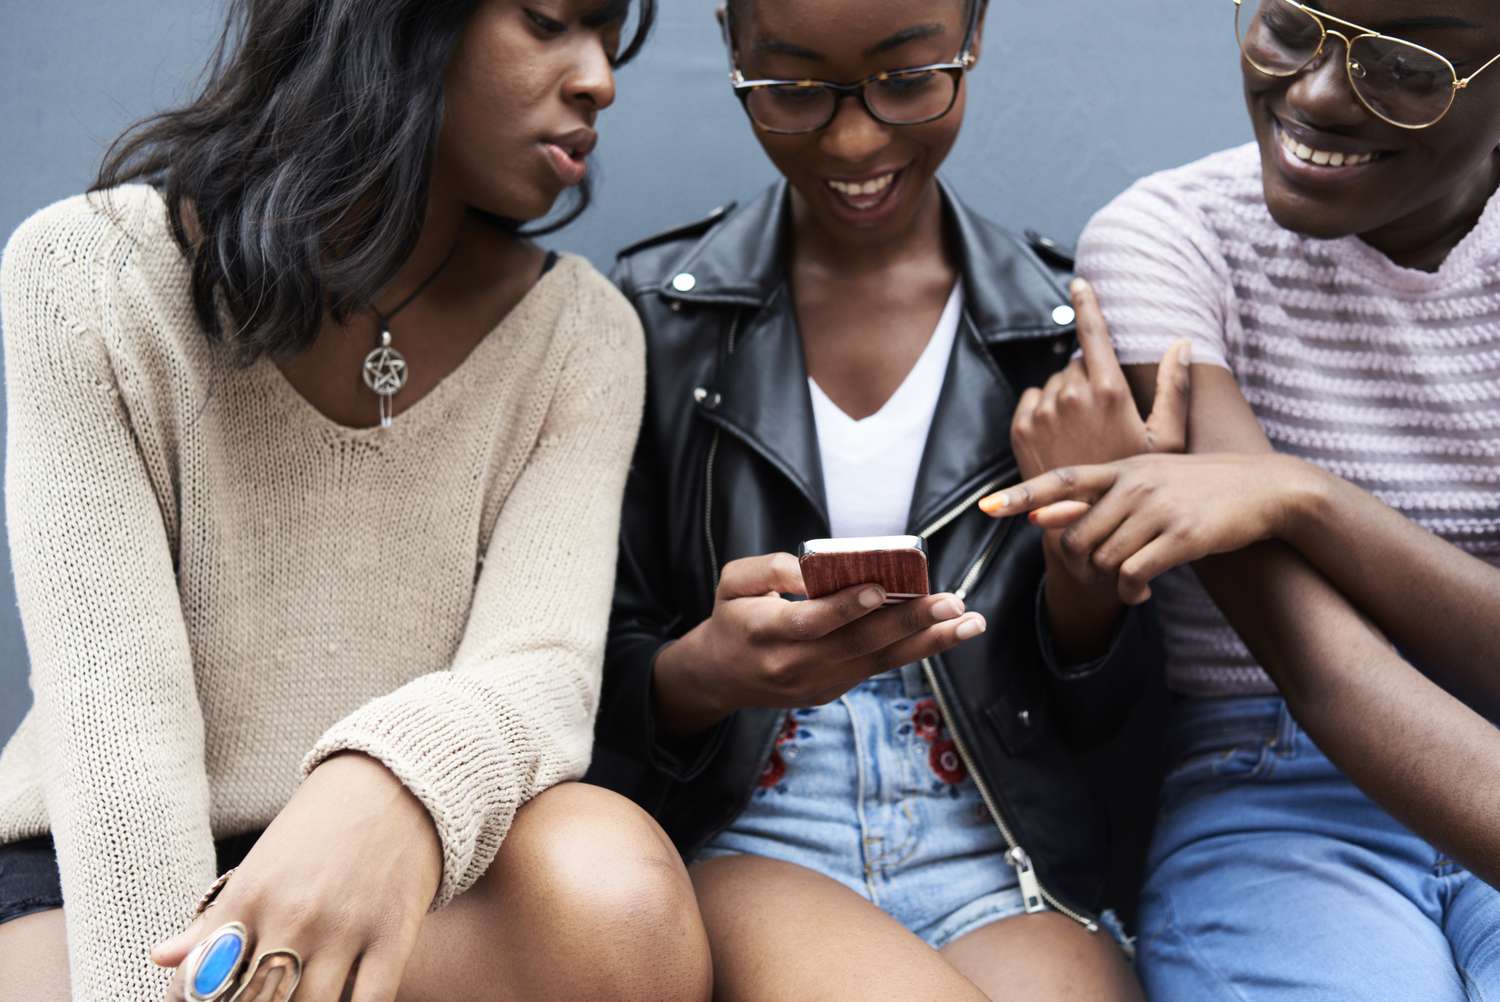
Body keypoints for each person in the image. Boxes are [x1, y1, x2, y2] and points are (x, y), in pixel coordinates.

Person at [0, 1, 714, 1000]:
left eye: (607, 37)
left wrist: (388, 785)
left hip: (424, 861)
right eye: (552, 20)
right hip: (111, 875)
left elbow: (543, 674)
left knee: (618, 899)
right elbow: (118, 728)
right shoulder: (89, 275)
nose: (599, 78)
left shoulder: (581, 334)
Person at [587, 0, 1180, 998]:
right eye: (792, 90)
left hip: (1000, 847)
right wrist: (711, 671)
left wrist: (1089, 574)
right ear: (733, 47)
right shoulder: (655, 318)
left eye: (907, 80)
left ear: (975, 32)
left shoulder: (1062, 336)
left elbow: (1122, 731)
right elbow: (590, 684)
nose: (854, 138)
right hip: (758, 826)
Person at [981, 0, 1500, 998]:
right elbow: (1324, 668)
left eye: (1400, 65)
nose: (1312, 95)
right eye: (1291, 26)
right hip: (1273, 792)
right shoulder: (1169, 243)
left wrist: (1304, 497)